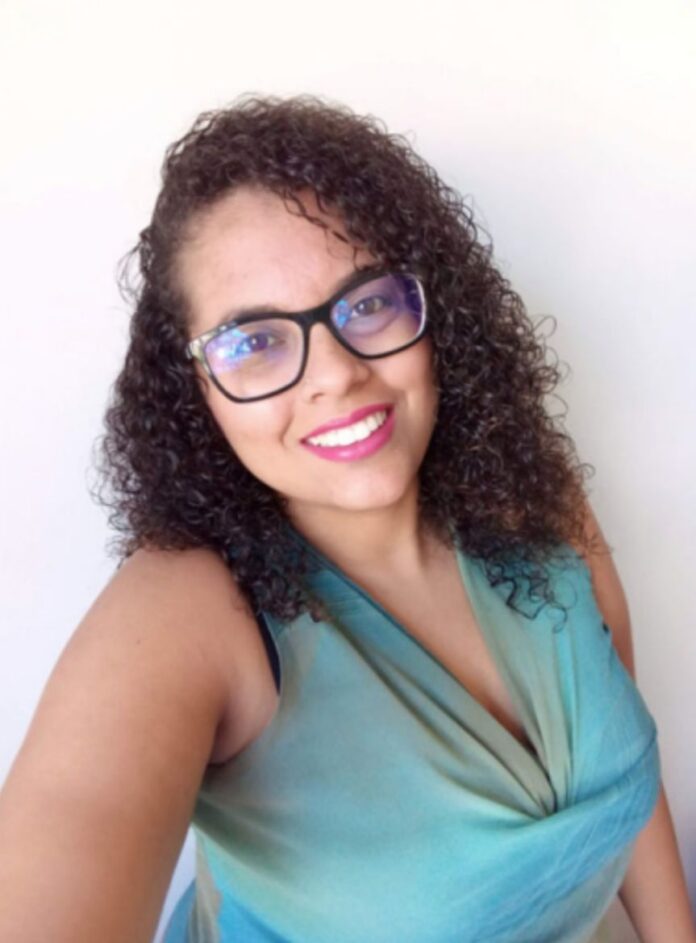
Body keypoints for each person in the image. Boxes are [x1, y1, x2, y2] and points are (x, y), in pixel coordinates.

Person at [0, 94, 693, 943]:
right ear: (196, 388)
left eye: (366, 303)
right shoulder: (187, 614)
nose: (334, 372)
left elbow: (625, 788)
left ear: (433, 311)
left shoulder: (536, 500)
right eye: (254, 341)